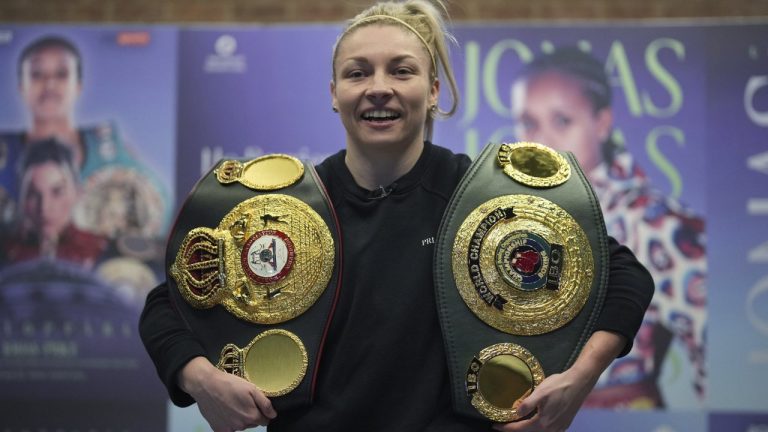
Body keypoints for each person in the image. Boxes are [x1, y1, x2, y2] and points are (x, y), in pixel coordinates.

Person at [140, 2, 654, 431]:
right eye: (357, 72)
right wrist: (200, 379)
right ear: (334, 94)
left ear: (432, 91)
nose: (378, 87)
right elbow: (168, 304)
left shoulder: (485, 196)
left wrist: (579, 379)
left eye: (401, 70)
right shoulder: (285, 208)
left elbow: (624, 277)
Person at [511, 47, 706, 408]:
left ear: (601, 122)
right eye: (528, 122)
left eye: (562, 121)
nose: (541, 141)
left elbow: (708, 349)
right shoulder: (508, 214)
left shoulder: (654, 221)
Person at [0, 35, 169, 241]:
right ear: (21, 86)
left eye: (61, 74)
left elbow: (160, 209)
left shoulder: (111, 152)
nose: (50, 84)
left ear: (78, 85)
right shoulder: (4, 154)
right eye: (37, 74)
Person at [2, 138, 107, 268]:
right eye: (33, 193)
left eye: (57, 192)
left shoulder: (98, 251)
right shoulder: (6, 253)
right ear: (21, 197)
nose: (44, 207)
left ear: (77, 193)